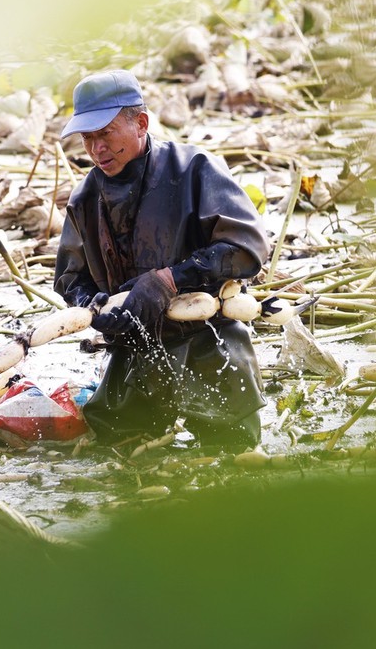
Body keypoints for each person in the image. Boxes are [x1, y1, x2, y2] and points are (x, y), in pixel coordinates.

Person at [54, 69, 270, 450]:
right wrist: (94, 306)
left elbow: (247, 248)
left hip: (210, 342)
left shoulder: (195, 169)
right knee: (121, 452)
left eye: (106, 134)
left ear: (141, 123)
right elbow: (71, 279)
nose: (96, 149)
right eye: (87, 138)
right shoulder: (85, 199)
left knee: (234, 457)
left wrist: (170, 279)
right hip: (136, 350)